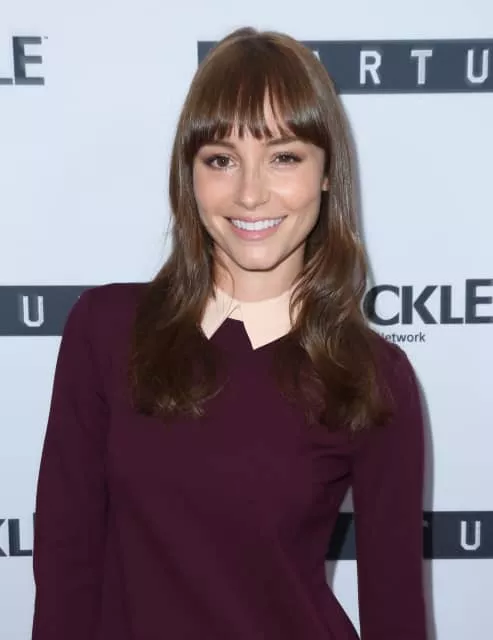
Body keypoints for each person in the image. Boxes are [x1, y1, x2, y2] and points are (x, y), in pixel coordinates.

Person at [31, 26, 428, 640]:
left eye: (284, 157)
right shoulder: (104, 332)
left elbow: (395, 608)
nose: (250, 193)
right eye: (221, 159)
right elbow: (66, 565)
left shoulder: (372, 375)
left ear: (327, 173)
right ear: (189, 174)